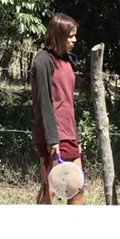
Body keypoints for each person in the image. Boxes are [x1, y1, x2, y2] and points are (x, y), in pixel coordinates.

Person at [31, 13, 84, 205]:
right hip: (52, 135)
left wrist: (75, 136)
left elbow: (68, 102)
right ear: (57, 35)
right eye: (70, 36)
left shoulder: (68, 60)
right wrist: (52, 139)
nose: (74, 40)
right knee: (50, 190)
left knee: (77, 188)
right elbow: (44, 102)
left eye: (75, 35)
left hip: (69, 132)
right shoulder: (44, 60)